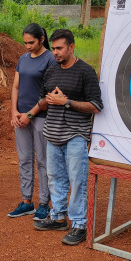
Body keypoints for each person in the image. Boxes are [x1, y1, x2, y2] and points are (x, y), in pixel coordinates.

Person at [28, 29, 103, 246]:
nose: (55, 53)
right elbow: (42, 99)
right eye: (53, 48)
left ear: (72, 47)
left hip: (76, 135)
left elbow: (96, 106)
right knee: (55, 178)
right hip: (52, 133)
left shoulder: (86, 72)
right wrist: (46, 102)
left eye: (60, 48)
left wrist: (66, 102)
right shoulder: (51, 72)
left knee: (77, 180)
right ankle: (58, 217)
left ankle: (79, 223)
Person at [8, 23, 56, 221]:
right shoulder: (23, 59)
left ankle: (45, 203)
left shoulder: (50, 59)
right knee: (25, 159)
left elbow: (51, 93)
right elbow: (16, 87)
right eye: (25, 42)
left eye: (31, 42)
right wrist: (14, 112)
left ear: (42, 39)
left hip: (41, 117)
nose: (27, 46)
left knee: (43, 161)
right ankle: (27, 201)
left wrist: (30, 114)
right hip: (21, 117)